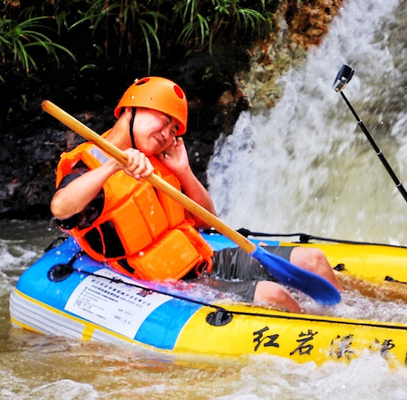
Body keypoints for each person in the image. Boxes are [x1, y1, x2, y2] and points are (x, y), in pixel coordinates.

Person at [50, 76, 341, 313]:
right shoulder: (88, 164)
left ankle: (349, 322)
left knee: (313, 260)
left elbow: (207, 221)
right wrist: (116, 163)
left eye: (173, 129)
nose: (167, 133)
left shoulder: (160, 161)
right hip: (168, 281)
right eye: (163, 120)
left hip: (202, 261)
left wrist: (184, 172)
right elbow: (61, 208)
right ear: (131, 109)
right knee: (273, 295)